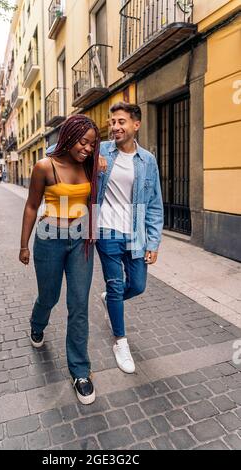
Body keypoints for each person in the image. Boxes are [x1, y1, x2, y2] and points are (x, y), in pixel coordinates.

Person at [19, 115, 101, 405]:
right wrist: (23, 245)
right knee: (49, 296)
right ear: (68, 136)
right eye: (83, 141)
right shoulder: (45, 166)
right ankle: (37, 323)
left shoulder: (90, 165)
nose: (88, 148)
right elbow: (31, 206)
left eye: (92, 144)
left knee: (79, 303)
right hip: (49, 239)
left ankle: (80, 371)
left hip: (80, 241)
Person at [97, 102, 164, 374]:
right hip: (105, 231)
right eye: (113, 122)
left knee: (137, 286)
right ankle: (120, 341)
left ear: (136, 125)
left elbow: (155, 204)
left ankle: (110, 300)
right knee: (115, 286)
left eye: (121, 121)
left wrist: (154, 241)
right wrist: (93, 160)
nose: (115, 127)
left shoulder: (147, 160)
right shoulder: (100, 149)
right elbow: (57, 150)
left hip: (135, 234)